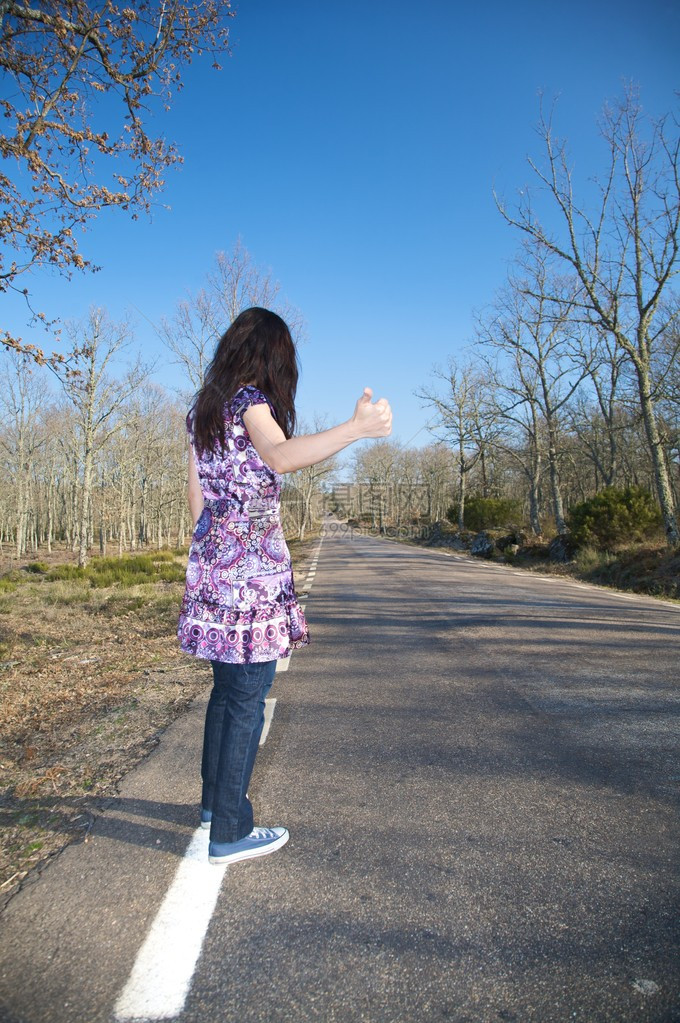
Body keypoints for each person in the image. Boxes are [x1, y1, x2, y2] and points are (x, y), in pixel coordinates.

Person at [177, 307, 392, 865]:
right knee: (248, 695)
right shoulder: (250, 403)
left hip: (214, 566)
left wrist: (205, 563)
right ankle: (230, 829)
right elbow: (281, 456)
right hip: (251, 575)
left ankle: (212, 806)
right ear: (273, 356)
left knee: (228, 693)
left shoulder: (203, 411)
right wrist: (356, 429)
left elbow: (197, 500)